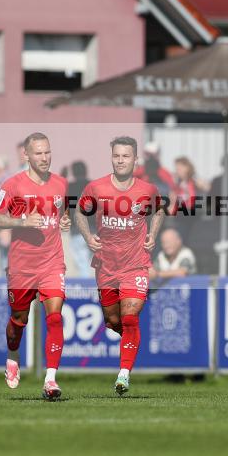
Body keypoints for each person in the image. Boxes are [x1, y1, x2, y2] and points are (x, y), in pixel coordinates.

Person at [76, 137, 163, 395]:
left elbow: (159, 211)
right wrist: (88, 237)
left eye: (126, 156)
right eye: (117, 156)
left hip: (136, 264)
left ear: (135, 159)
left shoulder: (148, 190)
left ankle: (123, 375)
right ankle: (120, 332)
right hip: (106, 265)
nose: (121, 160)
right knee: (114, 321)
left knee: (130, 317)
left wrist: (153, 236)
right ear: (111, 157)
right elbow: (80, 212)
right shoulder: (96, 188)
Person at [0, 132, 70, 400]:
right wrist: (23, 222)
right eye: (39, 153)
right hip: (22, 266)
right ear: (27, 155)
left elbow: (62, 213)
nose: (44, 158)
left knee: (55, 317)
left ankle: (50, 379)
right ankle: (13, 355)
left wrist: (66, 222)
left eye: (47, 152)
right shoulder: (12, 185)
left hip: (52, 262)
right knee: (18, 322)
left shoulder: (60, 183)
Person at [66, 160, 94, 278]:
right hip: (94, 228)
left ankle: (87, 287)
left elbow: (67, 208)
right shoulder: (93, 186)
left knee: (81, 260)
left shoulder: (70, 188)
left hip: (77, 229)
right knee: (97, 260)